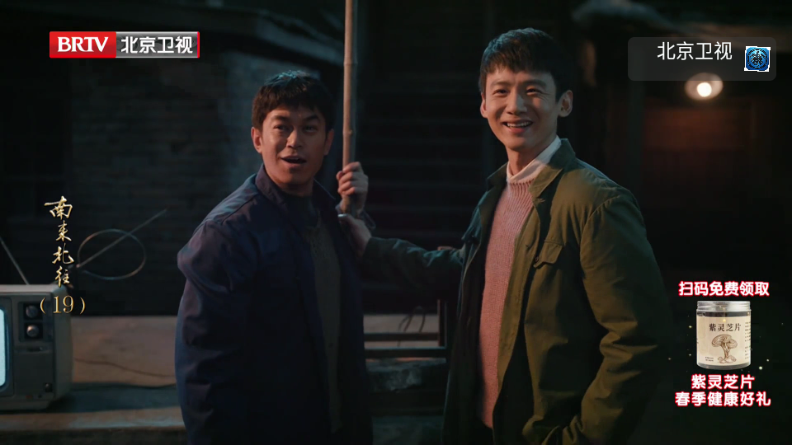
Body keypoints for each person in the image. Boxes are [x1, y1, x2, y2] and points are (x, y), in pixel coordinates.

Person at [340, 28, 674, 445]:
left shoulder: (596, 202)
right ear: (484, 104)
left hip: (543, 434)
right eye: (501, 91)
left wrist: (579, 438)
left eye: (533, 90)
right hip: (480, 427)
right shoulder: (497, 194)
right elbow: (463, 271)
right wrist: (371, 248)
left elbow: (639, 340)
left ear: (564, 102)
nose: (515, 106)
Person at [175, 71, 373, 445]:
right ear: (257, 138)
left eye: (309, 128)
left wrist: (357, 213)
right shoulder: (227, 234)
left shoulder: (331, 219)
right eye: (281, 127)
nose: (294, 141)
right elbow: (203, 371)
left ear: (328, 141)